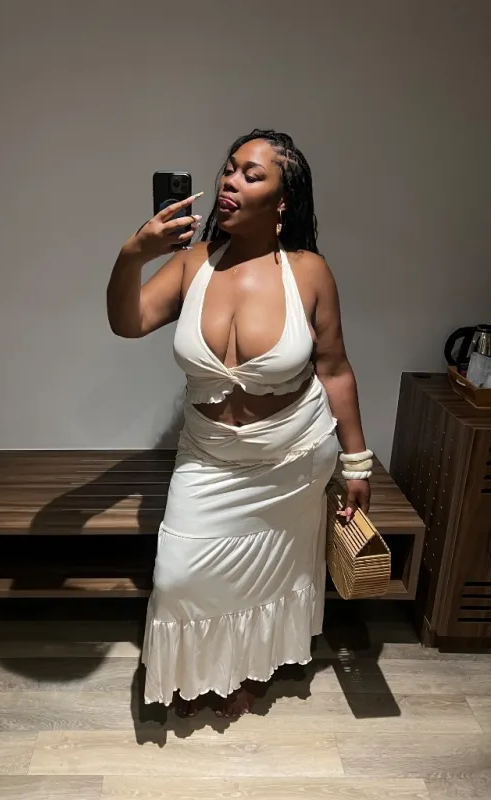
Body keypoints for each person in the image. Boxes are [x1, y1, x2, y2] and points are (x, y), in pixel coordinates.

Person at [107, 129, 371, 719]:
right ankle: (199, 669)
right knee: (178, 578)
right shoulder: (192, 263)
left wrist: (357, 463)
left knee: (272, 573)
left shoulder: (308, 272)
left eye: (252, 175)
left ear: (283, 200)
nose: (230, 181)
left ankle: (243, 670)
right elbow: (128, 322)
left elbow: (334, 369)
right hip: (209, 456)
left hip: (292, 458)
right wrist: (133, 255)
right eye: (229, 169)